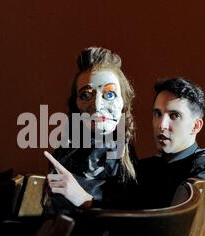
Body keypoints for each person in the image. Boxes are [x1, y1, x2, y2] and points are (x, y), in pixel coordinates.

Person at [43, 47, 138, 216]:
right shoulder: (67, 150)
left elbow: (130, 218)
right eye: (86, 96)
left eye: (109, 94)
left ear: (124, 101)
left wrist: (82, 199)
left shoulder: (124, 160)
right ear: (76, 105)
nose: (98, 105)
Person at [138, 77, 205, 209]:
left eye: (174, 116)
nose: (162, 125)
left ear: (196, 126)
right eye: (158, 113)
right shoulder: (148, 167)